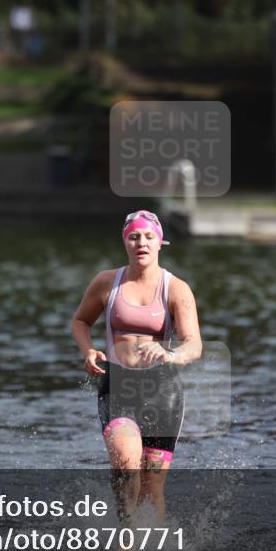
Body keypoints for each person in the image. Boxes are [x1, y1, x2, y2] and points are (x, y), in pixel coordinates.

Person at [72, 210, 202, 526]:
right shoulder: (107, 282)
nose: (141, 242)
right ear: (125, 242)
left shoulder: (176, 289)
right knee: (126, 463)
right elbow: (80, 321)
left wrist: (171, 355)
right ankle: (126, 529)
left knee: (152, 485)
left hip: (163, 392)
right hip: (119, 385)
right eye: (134, 236)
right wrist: (88, 350)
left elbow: (193, 344)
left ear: (159, 242)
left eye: (148, 236)